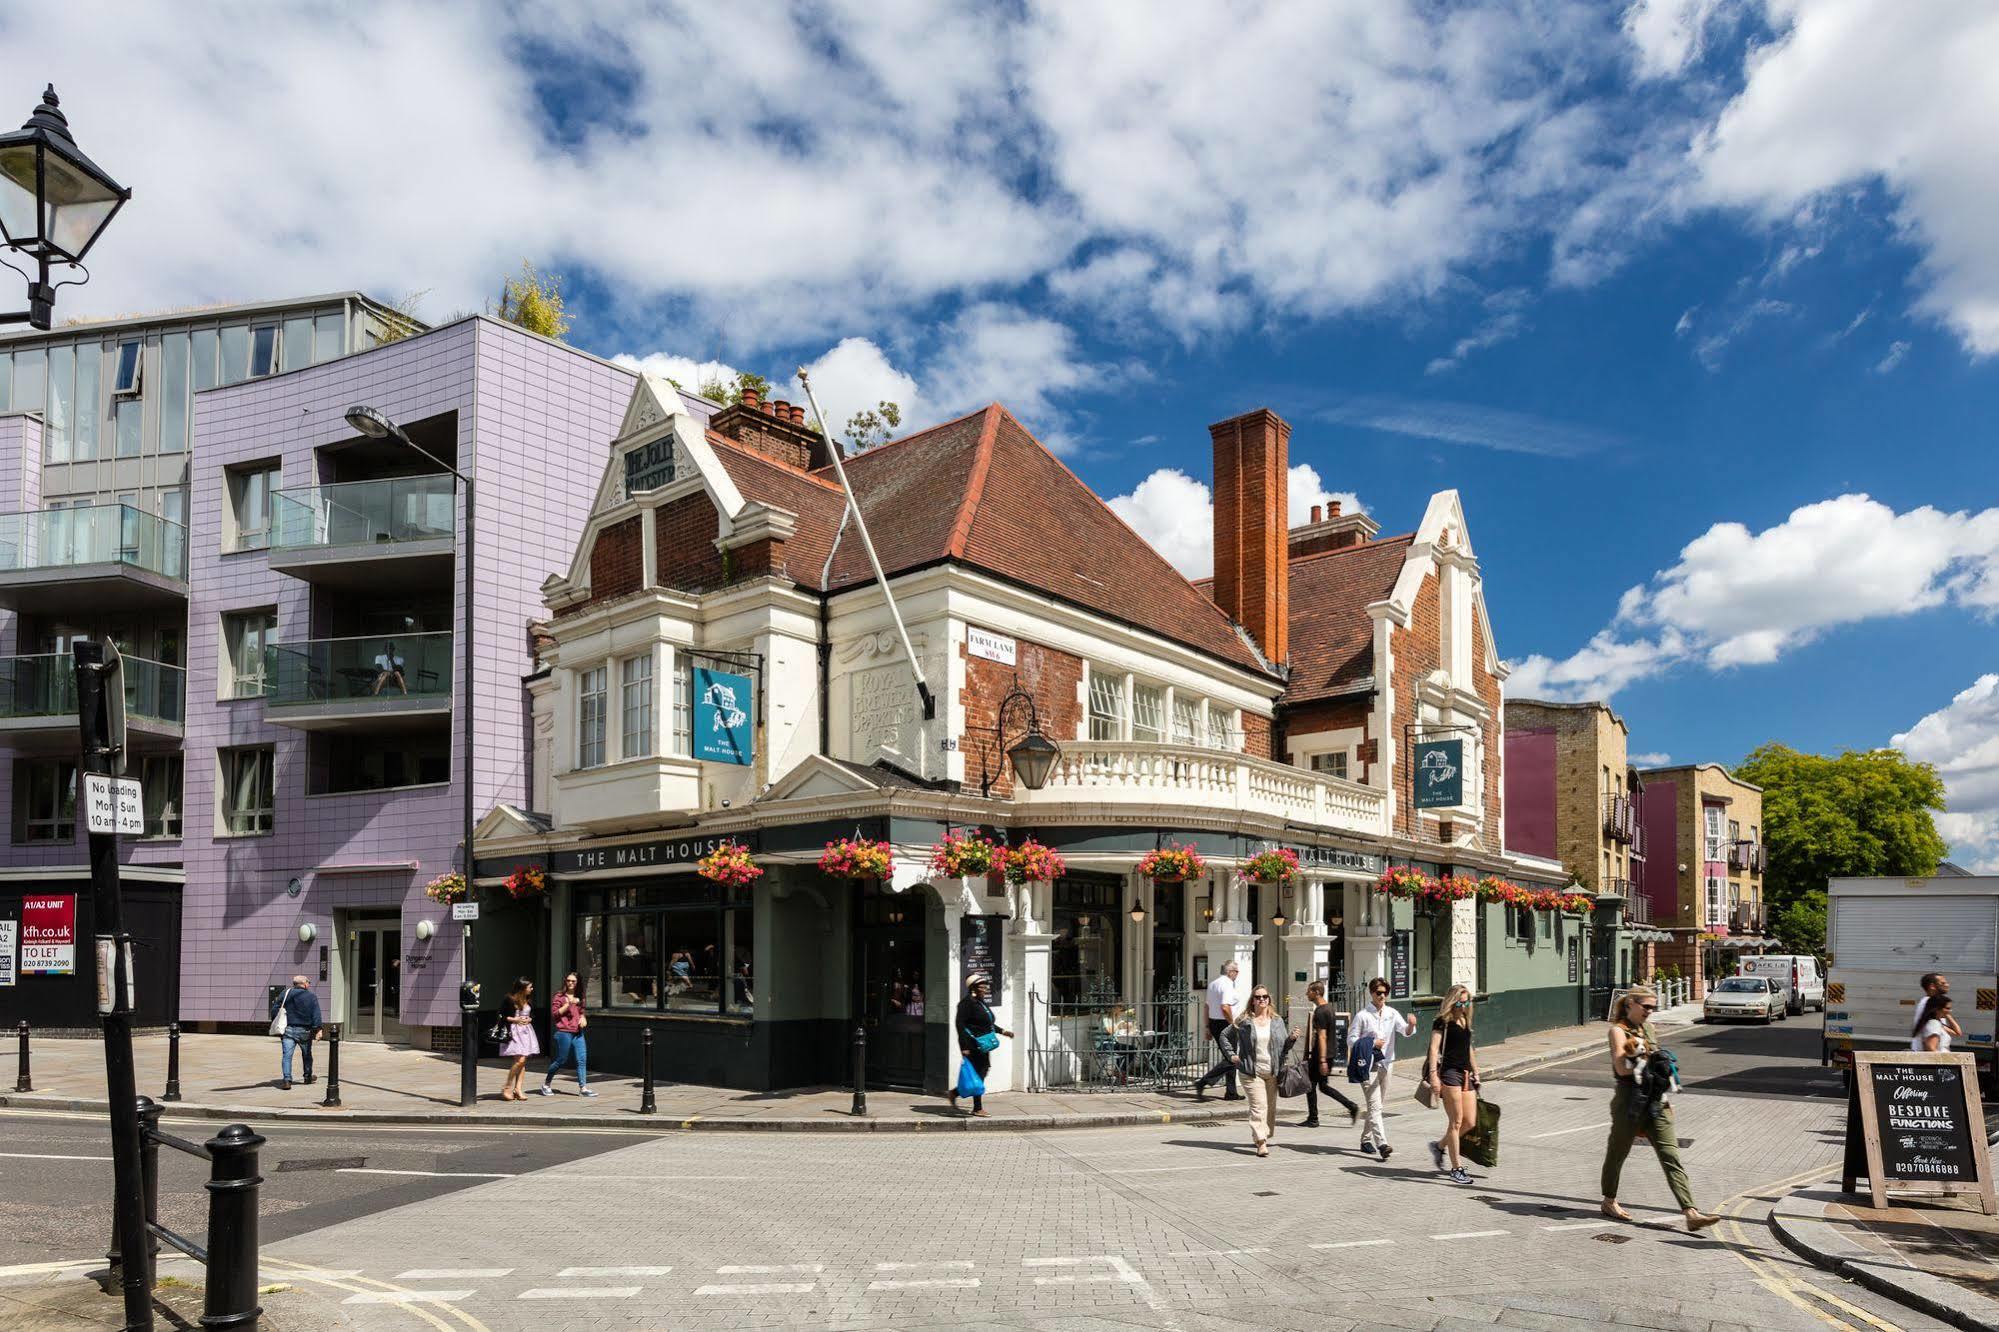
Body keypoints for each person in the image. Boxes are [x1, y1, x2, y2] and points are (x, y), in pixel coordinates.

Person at [1601, 985, 1720, 1230]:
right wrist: (1641, 1058)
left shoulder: (1649, 1029)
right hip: (1629, 1102)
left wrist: (1666, 1092)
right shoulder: (1618, 1031)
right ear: (1630, 1004)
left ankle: (1691, 1212)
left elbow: (1657, 1068)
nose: (1649, 1011)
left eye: (1653, 1008)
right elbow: (1622, 1069)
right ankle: (1609, 1200)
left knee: (1670, 1155)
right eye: (1646, 1007)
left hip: (1656, 1102)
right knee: (1617, 1153)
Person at [1349, 976, 1417, 1159]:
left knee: (1376, 1106)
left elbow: (1405, 1031)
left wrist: (1411, 1025)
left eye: (1385, 993)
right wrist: (1371, 1043)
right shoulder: (1362, 1015)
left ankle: (1365, 1140)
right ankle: (1383, 1144)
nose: (1382, 996)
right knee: (1375, 1106)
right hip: (1368, 1067)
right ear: (1371, 993)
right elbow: (1351, 1040)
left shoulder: (1392, 1013)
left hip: (1386, 1064)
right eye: (1379, 993)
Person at [1225, 985, 1295, 1157]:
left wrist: (1292, 1038)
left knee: (1270, 1108)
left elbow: (1283, 1048)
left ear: (1269, 999)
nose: (1261, 999)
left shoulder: (1277, 1021)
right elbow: (1224, 1036)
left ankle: (1263, 1134)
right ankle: (1261, 1142)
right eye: (1258, 997)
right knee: (1259, 1106)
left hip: (1272, 1071)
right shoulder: (1244, 1021)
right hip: (1251, 1071)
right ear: (1253, 1000)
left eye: (1264, 996)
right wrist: (1232, 1055)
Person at [1426, 984, 1481, 1184]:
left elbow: (1469, 1048)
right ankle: (1456, 1168)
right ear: (1452, 1000)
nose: (1464, 1004)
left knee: (1470, 1122)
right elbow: (1433, 1049)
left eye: (1467, 1000)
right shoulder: (1442, 1022)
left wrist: (1476, 1071)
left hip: (1465, 1074)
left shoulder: (1464, 1019)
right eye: (1460, 1000)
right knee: (1456, 1122)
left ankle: (1439, 1146)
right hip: (1449, 1074)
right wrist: (1434, 1076)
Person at [951, 974, 1011, 1116]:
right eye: (982, 986)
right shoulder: (966, 1004)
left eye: (985, 985)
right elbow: (960, 1025)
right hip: (972, 1046)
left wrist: (1003, 1031)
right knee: (978, 1074)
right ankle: (977, 1108)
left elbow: (987, 1023)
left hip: (983, 1044)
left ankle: (954, 1093)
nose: (985, 988)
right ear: (974, 988)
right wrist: (964, 1047)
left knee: (981, 1073)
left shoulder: (980, 1002)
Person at [1301, 980, 1358, 1129]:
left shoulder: (1320, 1012)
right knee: (1323, 1086)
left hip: (1322, 1055)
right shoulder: (1329, 1008)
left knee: (1311, 1085)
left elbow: (1322, 1036)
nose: (1307, 994)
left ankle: (1313, 1118)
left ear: (1317, 993)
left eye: (1309, 991)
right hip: (1330, 1054)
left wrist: (1321, 1060)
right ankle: (1351, 1106)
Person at [1193, 959, 1246, 1100]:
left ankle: (1231, 1092)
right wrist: (1232, 1023)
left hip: (1214, 1023)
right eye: (1237, 972)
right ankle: (1203, 1082)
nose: (1237, 974)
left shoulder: (1213, 984)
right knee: (1232, 1058)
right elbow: (1225, 1006)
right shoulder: (1227, 984)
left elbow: (1207, 1007)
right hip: (1225, 1024)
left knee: (1229, 1056)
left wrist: (1207, 1027)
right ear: (1230, 972)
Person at [539, 971, 596, 1097]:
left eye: (573, 981)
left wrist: (583, 1018)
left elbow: (581, 1011)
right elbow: (555, 1014)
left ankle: (583, 1088)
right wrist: (569, 1003)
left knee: (581, 1060)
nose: (570, 983)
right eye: (568, 980)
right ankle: (546, 1084)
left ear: (577, 983)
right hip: (564, 1032)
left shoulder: (580, 996)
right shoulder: (559, 996)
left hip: (578, 1032)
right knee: (561, 1060)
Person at [270, 975, 322, 1090]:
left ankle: (287, 1080)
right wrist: (318, 1029)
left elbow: (275, 1009)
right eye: (308, 982)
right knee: (307, 1055)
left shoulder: (286, 993)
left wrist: (276, 1022)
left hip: (288, 1029)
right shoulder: (311, 996)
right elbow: (316, 1014)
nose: (309, 984)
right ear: (304, 984)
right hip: (305, 1030)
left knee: (287, 1056)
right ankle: (307, 1077)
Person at [498, 977, 539, 1101]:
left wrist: (530, 1019)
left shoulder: (528, 999)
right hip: (514, 1032)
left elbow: (531, 1014)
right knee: (520, 1060)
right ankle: (507, 1086)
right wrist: (515, 1019)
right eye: (530, 987)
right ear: (522, 988)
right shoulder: (509, 999)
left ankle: (518, 1089)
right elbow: (501, 1015)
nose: (532, 989)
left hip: (526, 1032)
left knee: (523, 1061)